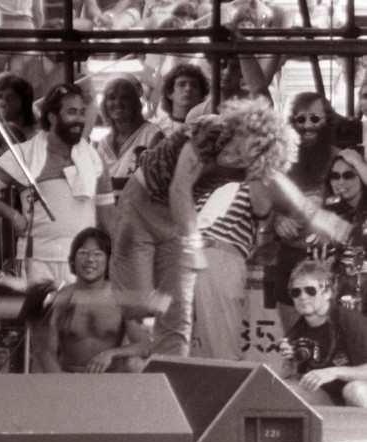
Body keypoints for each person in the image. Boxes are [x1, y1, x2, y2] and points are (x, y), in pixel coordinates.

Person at [111, 96, 350, 358]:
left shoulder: (253, 161)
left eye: (256, 152)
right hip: (141, 204)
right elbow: (180, 189)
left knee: (176, 318)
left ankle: (166, 378)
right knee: (139, 306)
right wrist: (193, 245)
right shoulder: (209, 130)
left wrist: (318, 216)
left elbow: (280, 185)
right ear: (241, 127)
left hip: (175, 221)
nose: (239, 158)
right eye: (241, 148)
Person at [0, 83, 114, 288]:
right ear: (53, 117)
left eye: (82, 112)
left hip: (82, 264)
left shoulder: (95, 159)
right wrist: (13, 215)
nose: (79, 119)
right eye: (72, 112)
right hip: (36, 260)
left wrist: (115, 259)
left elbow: (107, 219)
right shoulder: (24, 154)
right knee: (39, 319)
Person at [37, 227, 150, 373]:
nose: (90, 259)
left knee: (134, 363)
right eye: (83, 253)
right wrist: (62, 387)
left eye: (97, 254)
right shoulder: (60, 299)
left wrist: (110, 353)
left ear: (109, 260)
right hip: (70, 377)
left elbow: (144, 346)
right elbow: (46, 353)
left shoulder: (120, 298)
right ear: (72, 259)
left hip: (110, 377)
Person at [274, 92, 341, 332]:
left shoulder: (342, 160)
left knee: (332, 337)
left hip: (329, 259)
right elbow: (265, 207)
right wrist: (277, 220)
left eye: (315, 118)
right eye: (300, 120)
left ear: (328, 121)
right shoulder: (282, 161)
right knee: (294, 338)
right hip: (291, 257)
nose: (307, 126)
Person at [280, 259, 367, 407]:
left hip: (357, 389)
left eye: (310, 290)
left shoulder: (350, 321)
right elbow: (298, 378)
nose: (303, 297)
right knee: (287, 393)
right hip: (330, 396)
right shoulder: (296, 333)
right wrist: (290, 365)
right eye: (296, 292)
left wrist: (334, 372)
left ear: (326, 292)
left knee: (354, 390)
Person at [96, 76, 164, 194]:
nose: (117, 103)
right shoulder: (102, 144)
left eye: (125, 98)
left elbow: (155, 183)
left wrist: (111, 183)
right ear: (105, 105)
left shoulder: (153, 135)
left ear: (135, 103)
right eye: (112, 98)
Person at [322, 150, 367, 313]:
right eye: (335, 176)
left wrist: (358, 163)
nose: (340, 181)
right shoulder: (329, 209)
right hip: (340, 299)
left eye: (348, 175)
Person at [152, 63, 209, 137]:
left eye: (194, 85)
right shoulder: (156, 127)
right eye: (181, 84)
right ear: (170, 93)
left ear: (201, 94)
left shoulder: (209, 127)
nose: (188, 89)